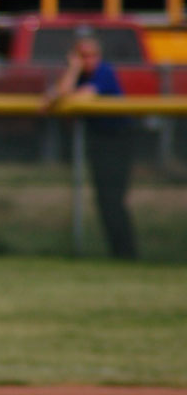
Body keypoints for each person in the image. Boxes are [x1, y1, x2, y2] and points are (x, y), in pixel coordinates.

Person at [42, 33, 137, 259]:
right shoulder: (79, 76)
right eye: (82, 56)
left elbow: (74, 98)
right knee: (104, 199)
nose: (88, 60)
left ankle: (127, 252)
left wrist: (60, 94)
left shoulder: (104, 72)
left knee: (112, 199)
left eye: (92, 55)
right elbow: (52, 98)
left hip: (118, 139)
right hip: (99, 141)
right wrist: (73, 70)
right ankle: (120, 253)